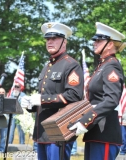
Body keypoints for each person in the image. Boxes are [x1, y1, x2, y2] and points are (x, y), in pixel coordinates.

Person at [21, 22, 84, 160]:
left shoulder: (71, 65)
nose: (50, 42)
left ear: (64, 42)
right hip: (42, 132)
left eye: (54, 38)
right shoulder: (47, 66)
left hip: (59, 132)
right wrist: (32, 104)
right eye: (47, 39)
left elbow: (74, 95)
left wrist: (42, 99)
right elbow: (44, 96)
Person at [69, 22, 126, 160]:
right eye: (95, 40)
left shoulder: (111, 66)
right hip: (96, 131)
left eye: (99, 40)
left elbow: (111, 100)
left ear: (111, 44)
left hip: (104, 132)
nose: (94, 43)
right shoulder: (102, 65)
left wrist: (86, 120)